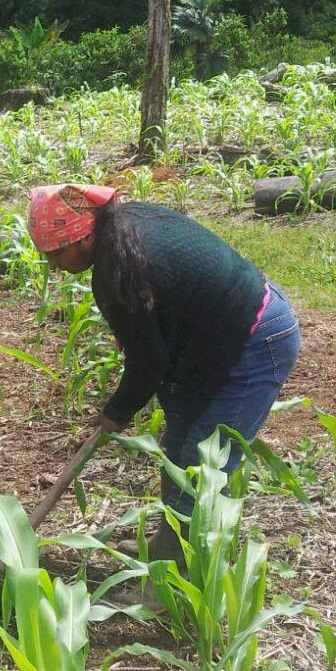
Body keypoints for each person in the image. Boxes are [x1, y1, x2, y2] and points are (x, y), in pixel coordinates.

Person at [27, 184, 301, 559]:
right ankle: (166, 546)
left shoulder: (118, 267)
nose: (54, 266)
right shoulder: (122, 228)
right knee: (179, 447)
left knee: (202, 466)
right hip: (213, 337)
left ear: (84, 236)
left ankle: (174, 578)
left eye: (56, 254)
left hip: (256, 338)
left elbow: (149, 362)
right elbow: (154, 316)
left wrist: (117, 412)